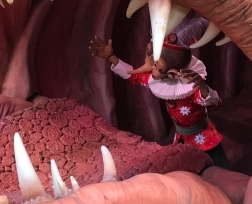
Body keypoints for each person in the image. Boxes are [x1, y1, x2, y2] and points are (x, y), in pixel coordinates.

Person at [90, 32, 230, 169]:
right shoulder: (157, 79)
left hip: (204, 140)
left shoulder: (190, 89)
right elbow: (135, 76)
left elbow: (215, 103)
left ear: (173, 73)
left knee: (217, 172)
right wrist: (111, 57)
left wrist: (203, 86)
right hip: (182, 138)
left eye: (155, 65)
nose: (148, 66)